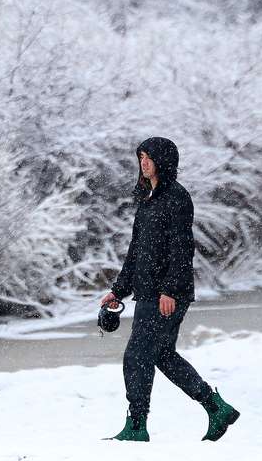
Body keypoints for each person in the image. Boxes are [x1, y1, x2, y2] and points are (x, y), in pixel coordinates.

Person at [101, 136, 240, 443]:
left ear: (163, 161)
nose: (143, 162)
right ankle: (215, 406)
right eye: (140, 157)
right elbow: (137, 251)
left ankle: (136, 426)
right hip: (149, 291)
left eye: (148, 157)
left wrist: (171, 291)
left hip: (165, 295)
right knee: (161, 355)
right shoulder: (147, 198)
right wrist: (117, 291)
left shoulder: (176, 197)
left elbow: (182, 247)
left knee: (137, 356)